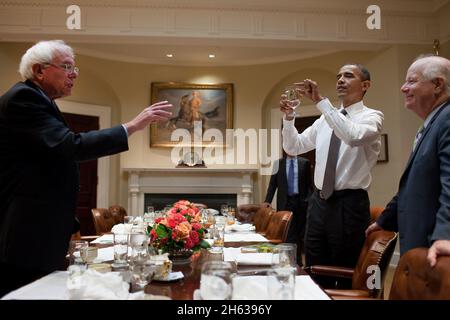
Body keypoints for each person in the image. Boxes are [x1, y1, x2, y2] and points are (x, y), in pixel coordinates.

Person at [0, 40, 172, 297]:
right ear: (39, 70)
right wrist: (133, 126)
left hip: (39, 228)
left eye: (75, 68)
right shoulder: (23, 99)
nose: (73, 75)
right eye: (67, 67)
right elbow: (70, 146)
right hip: (28, 231)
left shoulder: (40, 99)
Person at [280, 64, 384, 285]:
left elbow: (352, 136)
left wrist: (321, 102)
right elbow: (293, 147)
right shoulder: (324, 120)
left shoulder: (372, 117)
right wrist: (289, 118)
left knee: (345, 268)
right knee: (314, 267)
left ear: (365, 85)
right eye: (338, 76)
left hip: (349, 205)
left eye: (348, 76)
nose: (340, 80)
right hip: (319, 202)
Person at [366, 55, 450, 268]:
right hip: (420, 244)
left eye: (412, 81)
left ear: (438, 84)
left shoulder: (447, 119)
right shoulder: (432, 124)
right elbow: (414, 185)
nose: (403, 88)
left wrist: (445, 235)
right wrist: (384, 221)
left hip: (435, 249)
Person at [264, 153, 312, 265]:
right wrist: (267, 201)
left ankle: (299, 263)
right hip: (285, 202)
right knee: (289, 234)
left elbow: (309, 185)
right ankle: (290, 262)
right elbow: (273, 185)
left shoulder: (304, 163)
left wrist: (310, 201)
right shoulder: (278, 164)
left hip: (301, 203)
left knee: (301, 234)